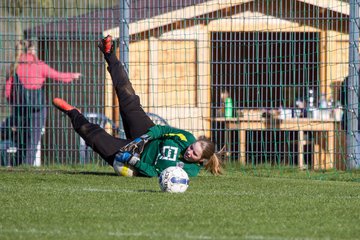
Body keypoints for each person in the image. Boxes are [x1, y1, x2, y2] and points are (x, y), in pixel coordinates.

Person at [52, 35, 223, 177]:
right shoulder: (186, 138)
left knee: (93, 138)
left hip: (135, 157)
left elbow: (155, 173)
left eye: (194, 154)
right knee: (129, 100)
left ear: (200, 161)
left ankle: (73, 113)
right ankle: (109, 53)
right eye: (192, 148)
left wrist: (133, 160)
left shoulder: (189, 171)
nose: (189, 151)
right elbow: (163, 131)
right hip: (147, 134)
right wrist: (144, 138)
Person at [4, 40, 81, 166]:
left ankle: (16, 164)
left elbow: (7, 91)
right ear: (31, 51)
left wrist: (13, 103)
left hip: (20, 108)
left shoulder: (14, 67)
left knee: (21, 138)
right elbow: (58, 76)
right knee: (33, 139)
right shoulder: (39, 66)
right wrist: (73, 75)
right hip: (37, 108)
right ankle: (27, 165)